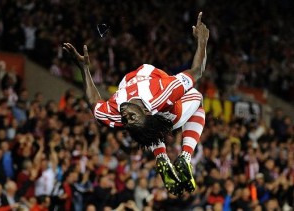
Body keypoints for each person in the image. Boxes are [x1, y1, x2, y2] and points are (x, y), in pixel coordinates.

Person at [63, 12, 209, 196]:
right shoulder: (163, 91)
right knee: (198, 98)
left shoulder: (113, 114)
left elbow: (93, 101)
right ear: (146, 113)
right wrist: (202, 40)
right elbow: (197, 71)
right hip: (173, 113)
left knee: (144, 132)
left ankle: (161, 156)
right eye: (132, 117)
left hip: (153, 111)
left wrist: (84, 68)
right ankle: (186, 156)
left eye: (126, 121)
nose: (125, 115)